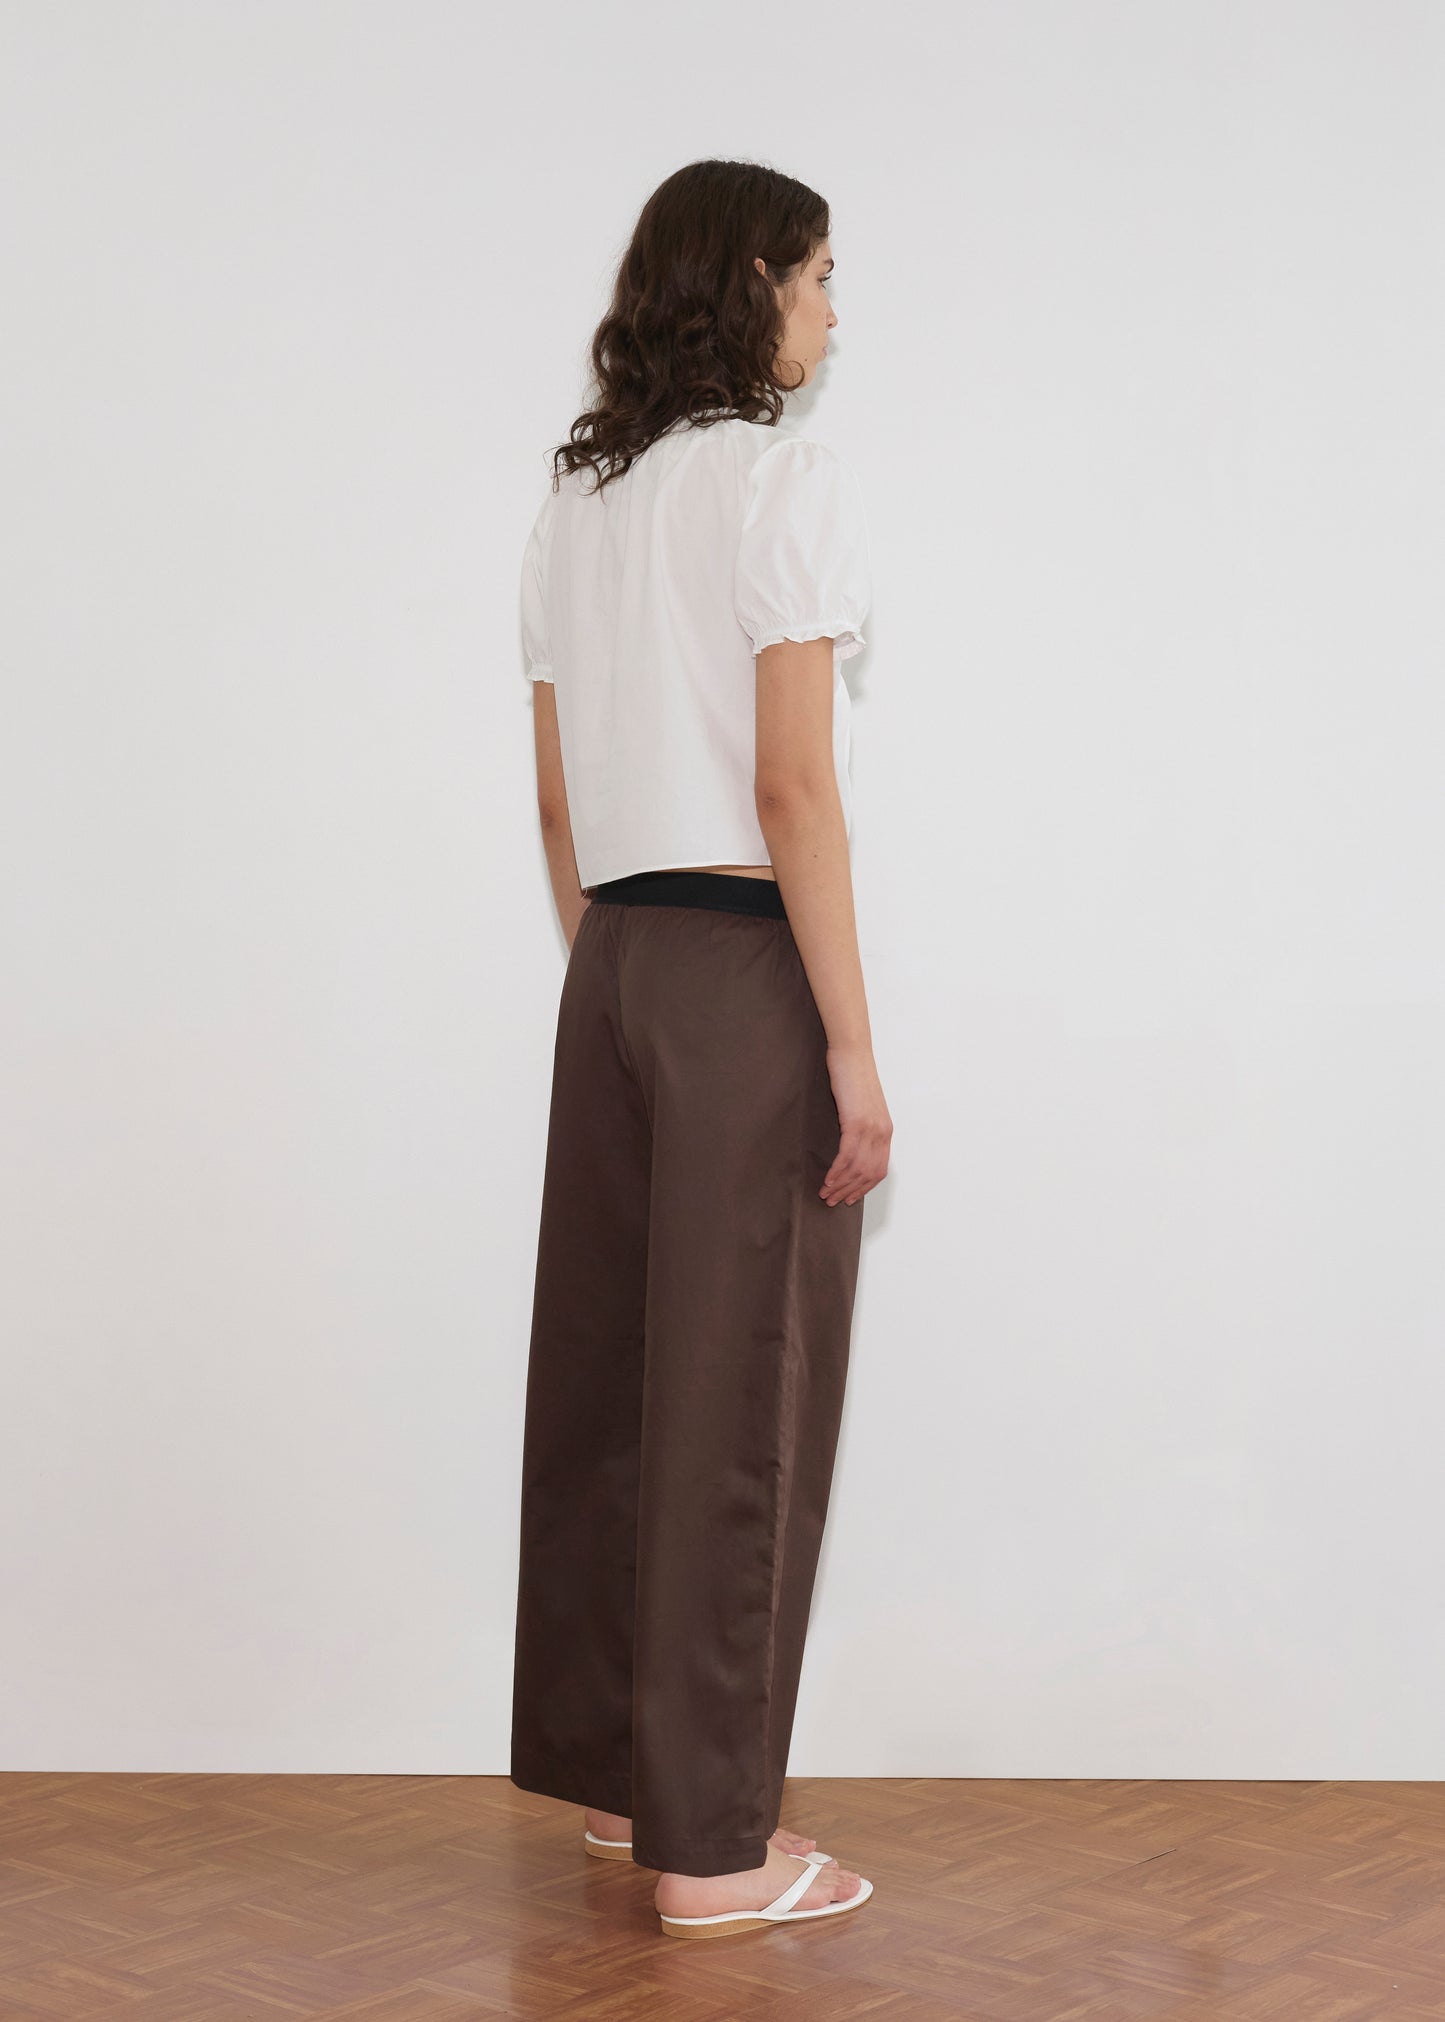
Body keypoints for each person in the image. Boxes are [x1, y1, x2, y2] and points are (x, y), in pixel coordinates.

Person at [509, 158, 892, 1942]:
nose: (833, 309)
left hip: (618, 960)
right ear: (750, 280)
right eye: (818, 273)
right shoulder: (775, 480)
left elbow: (559, 797)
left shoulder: (578, 501)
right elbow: (793, 783)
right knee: (738, 1400)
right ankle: (715, 1855)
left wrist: (618, 978)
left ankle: (620, 1782)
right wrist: (849, 1050)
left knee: (615, 1384)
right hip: (739, 957)